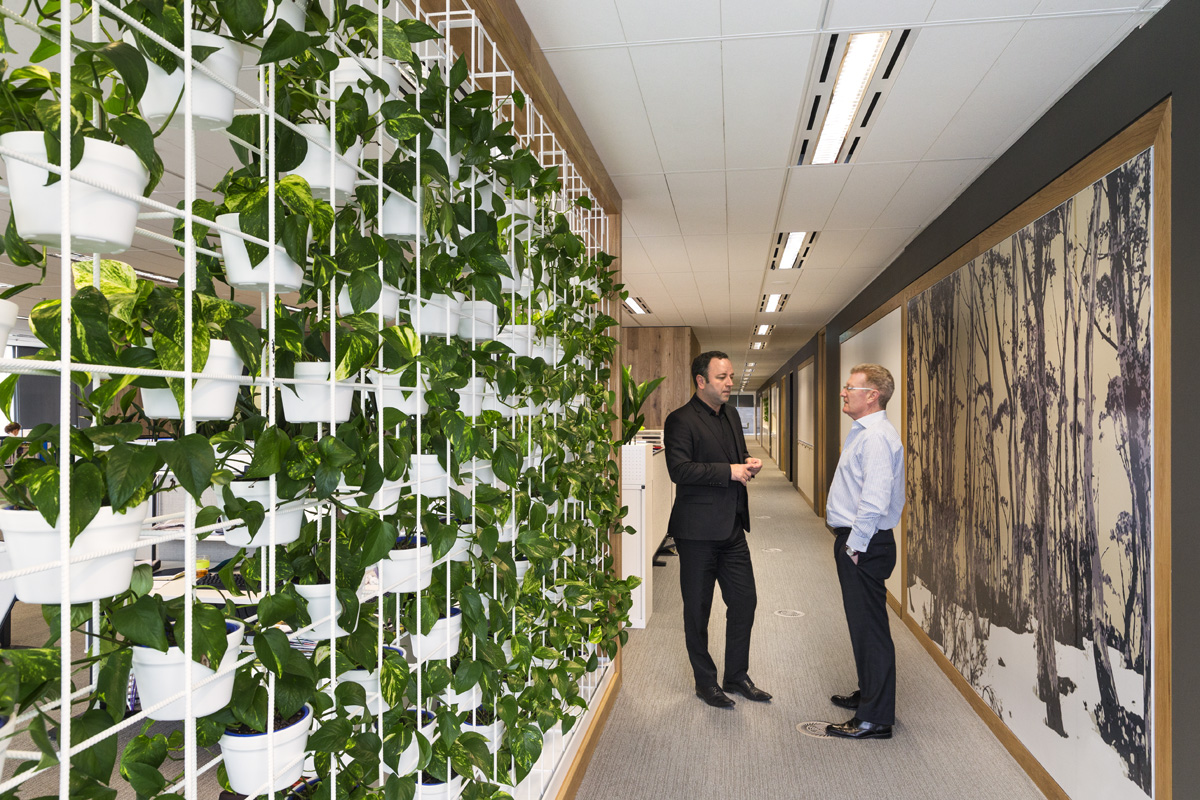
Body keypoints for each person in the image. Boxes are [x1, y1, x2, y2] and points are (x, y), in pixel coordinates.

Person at [663, 351, 769, 708]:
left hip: (732, 528)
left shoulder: (732, 415)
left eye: (731, 376)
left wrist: (747, 463)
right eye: (722, 377)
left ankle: (736, 676)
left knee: (744, 601)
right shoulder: (680, 420)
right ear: (701, 381)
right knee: (698, 610)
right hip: (696, 533)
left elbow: (736, 456)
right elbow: (679, 470)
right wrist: (729, 471)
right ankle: (705, 682)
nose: (729, 383)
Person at [825, 364, 905, 740]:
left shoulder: (874, 438)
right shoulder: (865, 432)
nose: (843, 393)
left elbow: (874, 500)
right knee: (863, 626)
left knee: (871, 630)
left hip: (864, 544)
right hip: (863, 542)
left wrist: (854, 548)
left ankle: (875, 718)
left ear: (872, 395)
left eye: (850, 388)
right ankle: (869, 694)